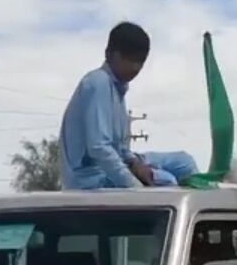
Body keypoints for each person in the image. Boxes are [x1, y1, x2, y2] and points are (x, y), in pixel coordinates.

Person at [60, 22, 198, 190]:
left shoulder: (118, 89)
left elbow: (122, 150)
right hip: (89, 178)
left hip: (115, 162)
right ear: (109, 54)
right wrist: (135, 185)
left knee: (184, 162)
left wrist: (135, 163)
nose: (135, 67)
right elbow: (99, 148)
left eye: (140, 61)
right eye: (129, 59)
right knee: (165, 180)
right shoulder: (98, 83)